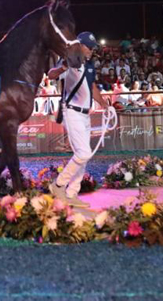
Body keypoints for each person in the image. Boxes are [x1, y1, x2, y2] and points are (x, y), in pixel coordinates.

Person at [47, 32, 108, 208]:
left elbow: (92, 86)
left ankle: (72, 193)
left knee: (83, 155)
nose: (91, 51)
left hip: (85, 114)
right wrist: (62, 68)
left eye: (92, 48)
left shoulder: (89, 65)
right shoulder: (69, 60)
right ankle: (58, 185)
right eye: (88, 47)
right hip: (72, 112)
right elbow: (51, 75)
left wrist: (103, 103)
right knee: (83, 153)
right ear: (79, 45)